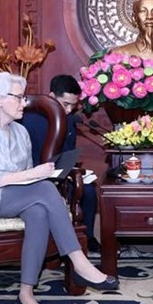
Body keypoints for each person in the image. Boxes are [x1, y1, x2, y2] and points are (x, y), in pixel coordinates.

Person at [0, 72, 118, 304]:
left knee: (38, 211)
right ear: (0, 99)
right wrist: (34, 173)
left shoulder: (21, 132)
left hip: (19, 196)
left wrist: (38, 174)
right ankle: (79, 263)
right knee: (45, 189)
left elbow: (26, 177)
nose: (24, 103)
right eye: (19, 98)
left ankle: (26, 293)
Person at [21, 74, 102, 254]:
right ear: (51, 96)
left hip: (61, 177)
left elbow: (66, 152)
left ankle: (87, 237)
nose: (68, 110)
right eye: (65, 104)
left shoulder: (69, 121)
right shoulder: (27, 119)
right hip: (32, 177)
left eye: (73, 105)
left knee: (88, 189)